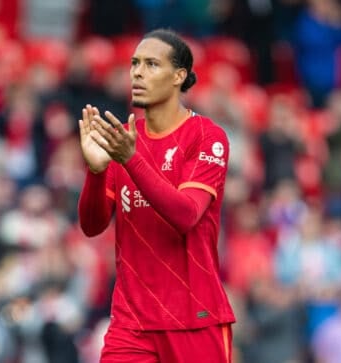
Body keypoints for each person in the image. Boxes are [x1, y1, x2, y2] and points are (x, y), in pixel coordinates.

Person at [77, 28, 235, 363]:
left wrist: (130, 160)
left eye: (151, 64)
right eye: (134, 63)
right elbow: (92, 226)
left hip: (195, 318)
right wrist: (94, 172)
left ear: (179, 76)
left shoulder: (207, 136)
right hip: (131, 322)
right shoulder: (123, 139)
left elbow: (186, 215)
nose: (137, 71)